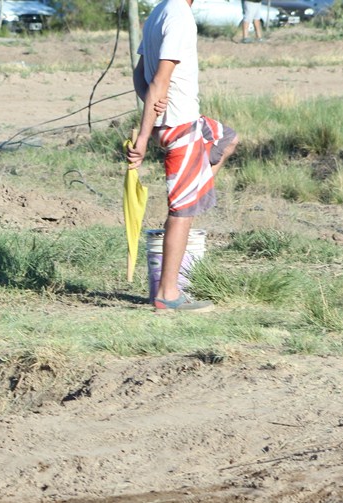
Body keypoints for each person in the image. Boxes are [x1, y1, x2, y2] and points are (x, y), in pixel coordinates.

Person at [127, 0, 239, 313]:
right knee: (182, 211)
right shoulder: (178, 16)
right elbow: (158, 81)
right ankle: (167, 293)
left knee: (227, 138)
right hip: (180, 127)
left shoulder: (159, 11)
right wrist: (144, 135)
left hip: (188, 120)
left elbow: (140, 76)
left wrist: (153, 101)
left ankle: (196, 186)